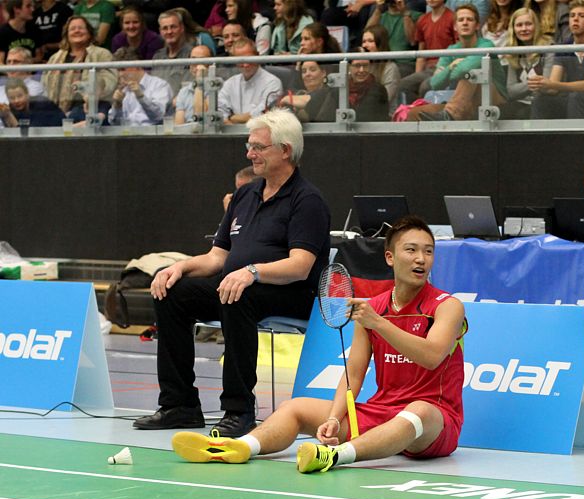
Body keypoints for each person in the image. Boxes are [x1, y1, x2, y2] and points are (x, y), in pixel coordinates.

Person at [171, 214, 468, 475]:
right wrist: (334, 418)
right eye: (411, 250)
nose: (421, 259)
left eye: (428, 251)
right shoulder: (375, 307)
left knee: (419, 411)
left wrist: (379, 323)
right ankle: (239, 447)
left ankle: (334, 456)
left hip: (435, 423)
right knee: (295, 407)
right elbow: (354, 373)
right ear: (390, 257)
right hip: (381, 413)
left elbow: (432, 356)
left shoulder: (446, 306)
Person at [133, 108, 331, 437]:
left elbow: (300, 265)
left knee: (238, 294)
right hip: (240, 286)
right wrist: (179, 267)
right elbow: (217, 257)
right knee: (173, 293)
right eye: (249, 146)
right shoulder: (245, 195)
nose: (250, 154)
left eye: (258, 147)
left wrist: (252, 272)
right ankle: (179, 405)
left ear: (285, 150)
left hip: (294, 293)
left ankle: (239, 411)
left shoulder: (307, 200)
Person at [410, 4, 507, 121]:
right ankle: (448, 117)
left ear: (477, 25)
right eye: (461, 20)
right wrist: (450, 67)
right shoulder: (451, 50)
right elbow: (435, 83)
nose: (465, 23)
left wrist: (451, 72)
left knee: (471, 75)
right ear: (455, 27)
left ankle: (451, 114)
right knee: (414, 113)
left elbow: (464, 69)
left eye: (469, 19)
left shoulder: (486, 45)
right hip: (464, 103)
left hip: (494, 100)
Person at [42, 15, 117, 120]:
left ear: (89, 33)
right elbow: (44, 84)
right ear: (67, 35)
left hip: (87, 108)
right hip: (56, 111)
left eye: (81, 28)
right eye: (72, 29)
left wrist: (92, 87)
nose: (77, 31)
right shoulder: (55, 58)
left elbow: (110, 81)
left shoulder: (102, 54)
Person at [396, 0, 457, 103]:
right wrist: (417, 75)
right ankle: (411, 110)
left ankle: (425, 110)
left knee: (425, 86)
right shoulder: (423, 19)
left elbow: (458, 47)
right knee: (403, 85)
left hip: (446, 67)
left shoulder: (452, 17)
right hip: (428, 69)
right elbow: (421, 53)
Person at [501, 7, 552, 119]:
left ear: (536, 26)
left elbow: (547, 85)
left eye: (528, 24)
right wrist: (533, 84)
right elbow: (510, 91)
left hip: (545, 102)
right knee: (498, 112)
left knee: (525, 112)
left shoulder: (549, 48)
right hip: (521, 103)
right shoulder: (513, 52)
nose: (524, 29)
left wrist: (522, 87)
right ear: (513, 29)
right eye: (519, 25)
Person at [219, 38, 284, 124]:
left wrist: (233, 118)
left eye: (249, 59)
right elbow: (220, 110)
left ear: (257, 56)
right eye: (240, 61)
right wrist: (227, 120)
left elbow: (263, 113)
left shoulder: (272, 82)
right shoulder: (230, 83)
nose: (245, 65)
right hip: (233, 130)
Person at [108, 47, 173, 126]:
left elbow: (158, 116)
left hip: (153, 133)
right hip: (127, 133)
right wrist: (117, 106)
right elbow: (114, 123)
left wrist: (141, 97)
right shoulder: (124, 90)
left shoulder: (160, 85)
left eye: (123, 69)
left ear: (137, 65)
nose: (120, 74)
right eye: (118, 70)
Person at [365, 0, 422, 75]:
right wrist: (378, 9)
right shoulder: (380, 17)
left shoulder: (417, 16)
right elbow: (366, 35)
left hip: (404, 63)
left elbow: (412, 41)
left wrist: (405, 14)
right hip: (382, 63)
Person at [152, 10, 196, 101]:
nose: (169, 31)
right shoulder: (157, 56)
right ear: (160, 31)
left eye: (173, 27)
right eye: (165, 28)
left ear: (182, 28)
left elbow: (190, 89)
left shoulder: (192, 54)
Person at [361, 24, 402, 109]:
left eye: (370, 41)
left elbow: (385, 99)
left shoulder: (391, 68)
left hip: (384, 113)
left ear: (381, 44)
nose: (365, 45)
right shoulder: (362, 67)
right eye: (364, 41)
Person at [174, 44, 214, 124]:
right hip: (187, 131)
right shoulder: (184, 91)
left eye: (202, 60)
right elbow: (179, 124)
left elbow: (202, 118)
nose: (196, 64)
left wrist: (199, 80)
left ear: (210, 65)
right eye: (193, 60)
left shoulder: (218, 87)